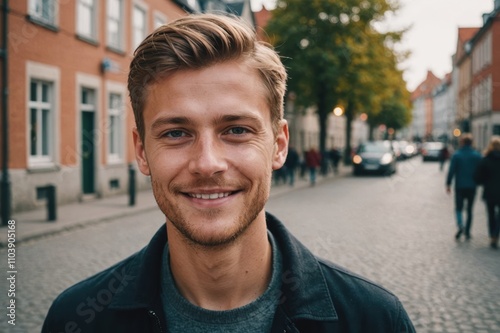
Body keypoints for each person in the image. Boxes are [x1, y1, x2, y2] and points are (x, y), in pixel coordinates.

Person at [42, 13, 415, 333]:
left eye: (236, 130)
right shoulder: (76, 318)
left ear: (279, 145)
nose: (207, 163)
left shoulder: (374, 319)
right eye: (176, 133)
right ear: (142, 151)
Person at [446, 133, 482, 241]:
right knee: (470, 209)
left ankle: (460, 225)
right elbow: (481, 171)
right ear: (471, 143)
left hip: (460, 186)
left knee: (458, 208)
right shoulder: (477, 155)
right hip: (472, 186)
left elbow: (451, 171)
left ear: (462, 142)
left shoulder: (457, 155)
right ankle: (467, 231)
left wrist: (448, 184)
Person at [474, 136, 500, 249]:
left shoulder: (485, 159)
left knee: (490, 214)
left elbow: (478, 176)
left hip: (489, 191)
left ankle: (492, 235)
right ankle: (496, 234)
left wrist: (483, 182)